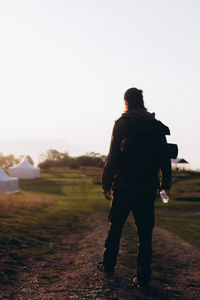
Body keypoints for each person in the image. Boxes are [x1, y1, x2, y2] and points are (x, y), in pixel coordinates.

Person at [97, 87, 172, 288]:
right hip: (147, 188)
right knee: (145, 234)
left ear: (126, 102)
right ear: (142, 101)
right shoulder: (156, 126)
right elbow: (165, 157)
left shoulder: (122, 124)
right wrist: (166, 184)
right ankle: (143, 277)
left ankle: (109, 265)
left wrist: (106, 182)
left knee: (115, 228)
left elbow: (113, 156)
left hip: (123, 187)